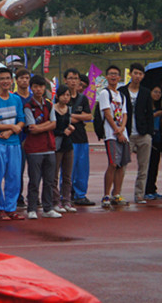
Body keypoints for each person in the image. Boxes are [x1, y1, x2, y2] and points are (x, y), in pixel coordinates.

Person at [0, 67, 26, 221]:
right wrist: (11, 127)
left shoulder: (16, 99)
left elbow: (21, 120)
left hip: (14, 143)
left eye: (7, 78)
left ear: (12, 81)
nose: (5, 81)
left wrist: (12, 131)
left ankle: (10, 208)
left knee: (14, 176)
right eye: (2, 78)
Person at [23, 75, 61, 219]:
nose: (38, 89)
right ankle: (31, 208)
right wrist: (46, 125)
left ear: (44, 88)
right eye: (35, 87)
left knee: (49, 180)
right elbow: (32, 128)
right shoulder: (28, 106)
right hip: (34, 149)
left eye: (41, 86)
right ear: (31, 88)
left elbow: (54, 124)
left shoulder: (49, 104)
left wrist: (42, 127)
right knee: (34, 180)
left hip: (49, 147)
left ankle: (48, 208)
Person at [118, 63, 154, 204]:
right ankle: (118, 193)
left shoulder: (145, 92)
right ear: (130, 74)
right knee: (122, 166)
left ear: (143, 76)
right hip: (126, 134)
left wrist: (149, 133)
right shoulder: (122, 91)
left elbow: (149, 114)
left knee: (143, 167)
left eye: (140, 74)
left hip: (143, 134)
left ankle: (139, 194)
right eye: (135, 73)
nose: (137, 76)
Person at [99, 65, 130, 208]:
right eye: (110, 74)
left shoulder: (121, 95)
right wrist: (117, 131)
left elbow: (124, 114)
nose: (113, 76)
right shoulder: (105, 93)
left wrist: (122, 129)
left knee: (121, 165)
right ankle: (106, 195)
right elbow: (107, 114)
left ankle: (116, 194)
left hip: (122, 134)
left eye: (116, 74)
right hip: (111, 135)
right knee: (113, 164)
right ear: (106, 77)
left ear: (119, 77)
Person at [70, 71, 95, 206]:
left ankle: (80, 195)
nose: (78, 86)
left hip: (82, 138)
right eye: (71, 79)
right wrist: (79, 116)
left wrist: (75, 117)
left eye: (83, 86)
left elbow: (89, 116)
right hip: (68, 139)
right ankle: (66, 194)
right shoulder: (62, 97)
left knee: (82, 168)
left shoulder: (83, 99)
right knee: (68, 169)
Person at [52, 84, 77, 213]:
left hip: (68, 145)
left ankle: (66, 200)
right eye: (63, 95)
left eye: (68, 95)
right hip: (57, 144)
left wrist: (70, 128)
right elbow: (52, 127)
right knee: (54, 175)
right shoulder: (53, 109)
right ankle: (55, 201)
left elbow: (69, 124)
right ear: (57, 96)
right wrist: (62, 132)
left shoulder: (69, 109)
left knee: (67, 175)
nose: (66, 98)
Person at [14, 68, 32, 208]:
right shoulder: (13, 98)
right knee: (17, 170)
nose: (24, 80)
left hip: (34, 139)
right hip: (18, 138)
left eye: (26, 78)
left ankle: (33, 196)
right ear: (16, 80)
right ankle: (17, 196)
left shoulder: (34, 97)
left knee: (35, 170)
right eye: (21, 78)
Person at [144, 86, 162, 200]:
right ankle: (146, 189)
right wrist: (155, 115)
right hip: (149, 135)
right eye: (155, 92)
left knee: (155, 164)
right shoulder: (146, 105)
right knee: (148, 164)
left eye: (159, 92)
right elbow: (144, 118)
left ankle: (153, 188)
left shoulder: (160, 106)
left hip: (158, 136)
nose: (157, 94)